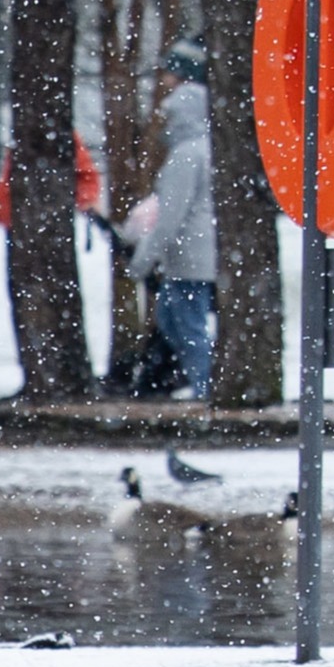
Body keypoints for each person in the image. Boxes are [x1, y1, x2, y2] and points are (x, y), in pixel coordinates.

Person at [126, 40, 220, 400]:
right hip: (199, 257)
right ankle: (203, 384)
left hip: (189, 260)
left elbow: (170, 217)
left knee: (187, 325)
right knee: (173, 319)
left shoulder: (185, 156)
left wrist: (143, 259)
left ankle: (206, 388)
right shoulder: (207, 150)